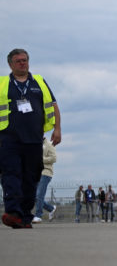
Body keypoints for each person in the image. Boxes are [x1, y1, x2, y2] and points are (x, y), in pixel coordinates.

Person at [1, 48, 62, 229]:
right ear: (10, 64)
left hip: (34, 139)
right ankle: (13, 212)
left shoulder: (40, 82)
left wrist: (57, 129)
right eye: (18, 60)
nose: (23, 63)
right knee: (11, 176)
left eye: (25, 60)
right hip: (8, 139)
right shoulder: (3, 83)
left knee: (31, 179)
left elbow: (53, 105)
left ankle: (25, 217)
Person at [33, 136, 58, 223]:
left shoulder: (49, 145)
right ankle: (51, 208)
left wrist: (41, 160)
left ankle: (38, 215)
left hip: (46, 173)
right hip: (36, 173)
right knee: (34, 197)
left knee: (39, 195)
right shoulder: (35, 146)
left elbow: (54, 158)